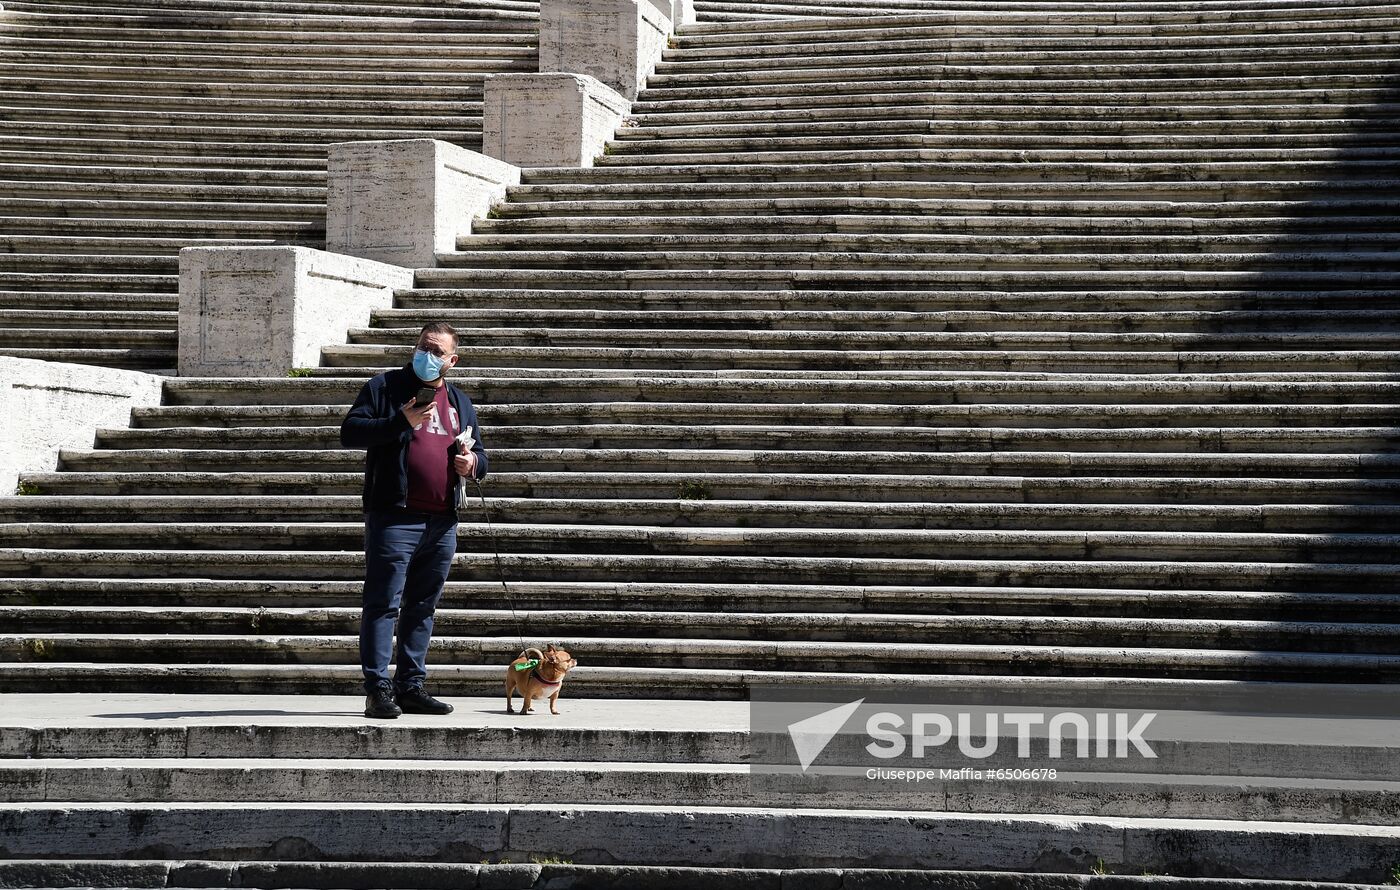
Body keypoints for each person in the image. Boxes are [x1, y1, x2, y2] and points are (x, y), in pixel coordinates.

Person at [339, 321, 489, 719]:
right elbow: (350, 432)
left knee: (422, 605)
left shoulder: (459, 401)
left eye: (438, 351)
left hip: (442, 519)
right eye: (424, 346)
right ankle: (378, 689)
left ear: (452, 361)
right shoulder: (385, 387)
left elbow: (483, 457)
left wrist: (472, 462)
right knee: (383, 603)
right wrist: (398, 423)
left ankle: (411, 685)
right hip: (395, 516)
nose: (429, 355)